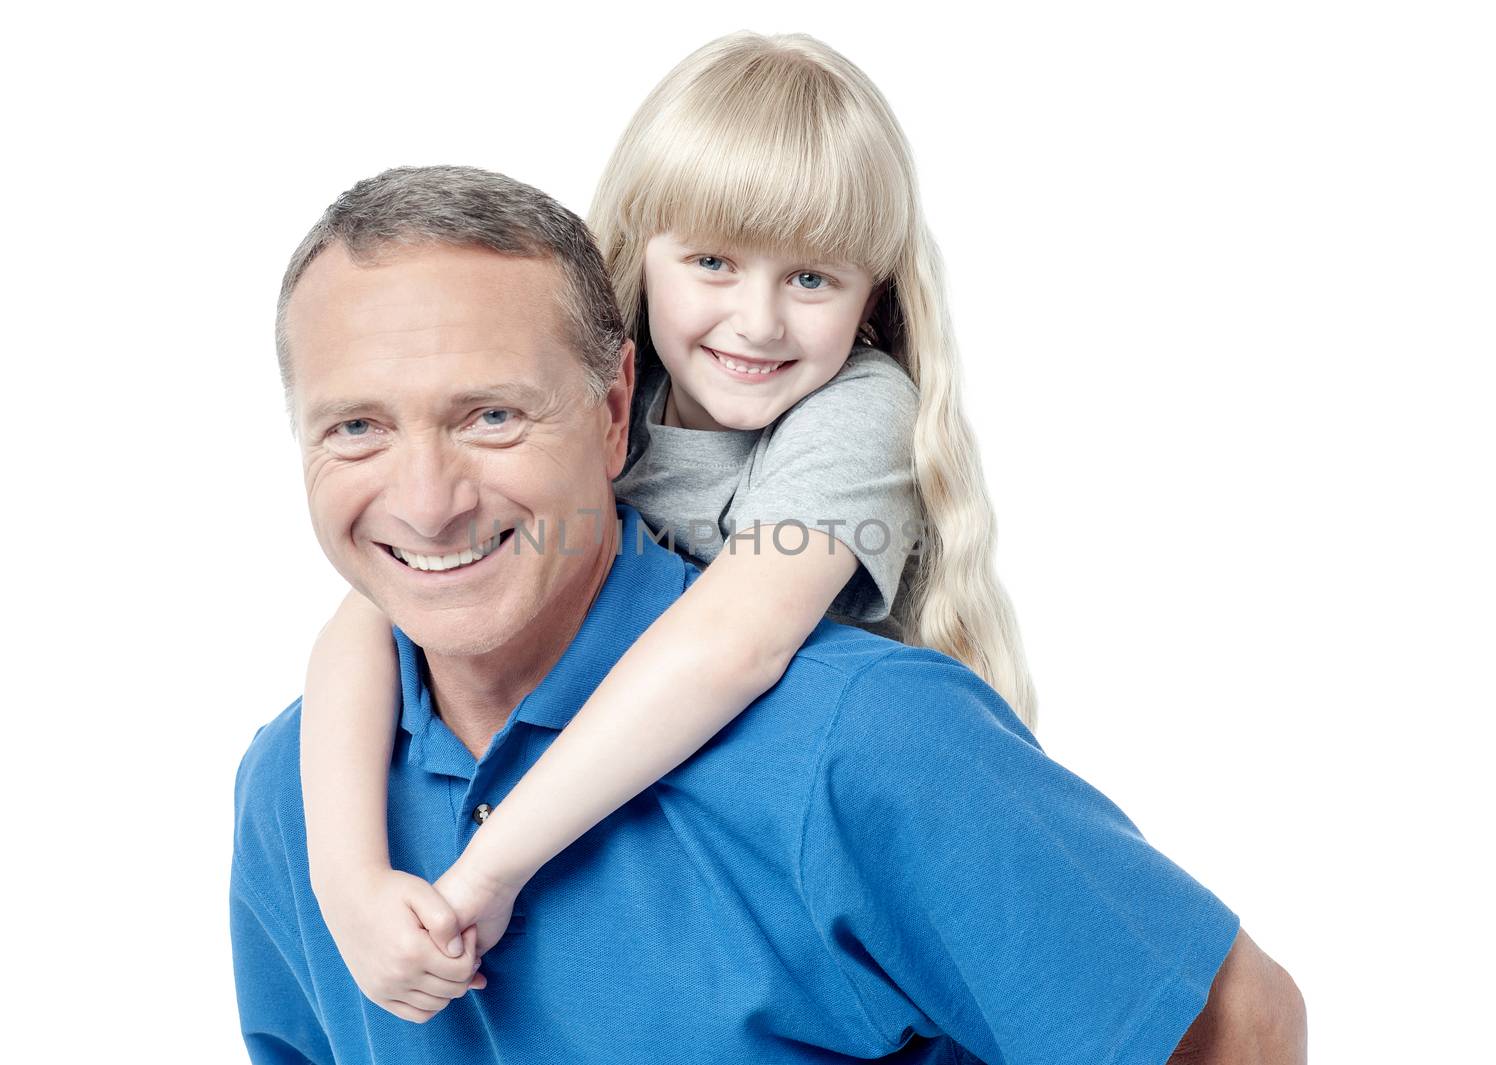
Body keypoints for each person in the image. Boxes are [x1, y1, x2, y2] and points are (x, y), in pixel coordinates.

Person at [230, 162, 1306, 1062]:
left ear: (615, 414)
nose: (426, 500)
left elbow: (1239, 1030)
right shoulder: (296, 793)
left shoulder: (864, 739)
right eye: (356, 429)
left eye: (492, 416)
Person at [298, 32, 1043, 1023]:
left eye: (811, 278)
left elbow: (731, 646)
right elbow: (377, 613)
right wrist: (347, 888)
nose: (758, 323)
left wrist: (486, 872)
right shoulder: (603, 393)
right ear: (640, 254)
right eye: (713, 262)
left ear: (873, 293)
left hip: (801, 843)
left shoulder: (856, 411)